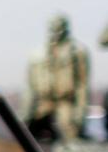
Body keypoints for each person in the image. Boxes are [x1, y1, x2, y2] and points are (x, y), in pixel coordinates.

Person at [22, 14, 90, 143]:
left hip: (66, 104)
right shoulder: (37, 54)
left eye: (58, 26)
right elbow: (30, 87)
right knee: (27, 137)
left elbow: (82, 85)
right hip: (42, 104)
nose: (55, 31)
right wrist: (26, 113)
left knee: (71, 138)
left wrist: (80, 112)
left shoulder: (77, 52)